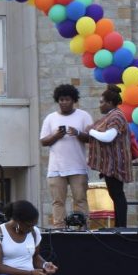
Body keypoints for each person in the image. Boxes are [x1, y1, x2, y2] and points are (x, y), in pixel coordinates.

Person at [40, 84, 94, 228]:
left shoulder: (83, 116)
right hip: (56, 168)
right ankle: (60, 230)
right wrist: (56, 135)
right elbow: (43, 141)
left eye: (67, 99)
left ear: (73, 100)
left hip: (78, 167)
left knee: (80, 200)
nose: (64, 102)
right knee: (58, 202)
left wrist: (77, 133)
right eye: (61, 99)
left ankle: (83, 228)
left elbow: (91, 138)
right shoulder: (51, 118)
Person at [84, 85, 132, 227]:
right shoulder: (112, 115)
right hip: (112, 164)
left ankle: (121, 226)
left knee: (117, 195)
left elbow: (108, 137)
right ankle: (119, 225)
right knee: (115, 195)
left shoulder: (116, 116)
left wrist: (91, 131)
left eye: (101, 102)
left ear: (110, 103)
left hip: (116, 164)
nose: (100, 105)